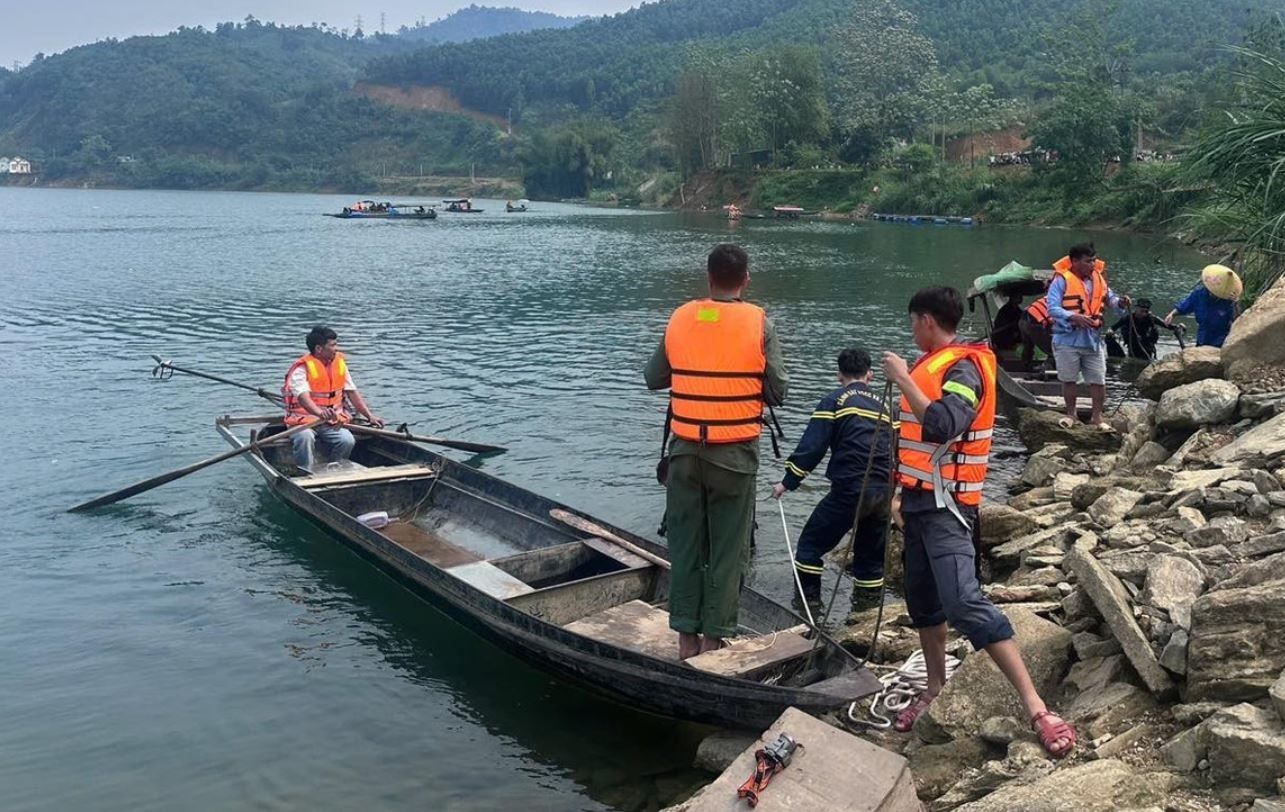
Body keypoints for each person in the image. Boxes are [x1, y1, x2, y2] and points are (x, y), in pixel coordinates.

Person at [881, 286, 1076, 758]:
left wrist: (902, 378)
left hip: (949, 509)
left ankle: (1037, 708)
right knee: (924, 604)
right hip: (918, 504)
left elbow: (946, 423)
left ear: (927, 320)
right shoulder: (938, 364)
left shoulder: (964, 367)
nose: (912, 332)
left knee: (965, 603)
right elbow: (909, 441)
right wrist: (897, 495)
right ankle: (933, 688)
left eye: (913, 322)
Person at [644, 244, 788, 660]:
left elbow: (653, 377)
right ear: (745, 279)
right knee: (728, 552)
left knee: (686, 547)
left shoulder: (681, 317)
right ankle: (713, 643)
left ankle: (685, 643)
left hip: (685, 454)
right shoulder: (760, 323)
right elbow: (778, 390)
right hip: (735, 457)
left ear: (708, 278)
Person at [770, 348, 894, 616]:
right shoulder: (886, 406)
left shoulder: (834, 401)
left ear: (839, 375)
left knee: (810, 547)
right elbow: (898, 448)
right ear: (869, 375)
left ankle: (809, 608)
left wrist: (787, 483)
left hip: (851, 489)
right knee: (870, 560)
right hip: (884, 490)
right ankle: (866, 613)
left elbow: (812, 448)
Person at [1046, 243, 1130, 428]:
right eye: (1088, 261)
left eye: (1093, 260)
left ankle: (1097, 417)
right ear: (1075, 261)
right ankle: (1071, 414)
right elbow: (1052, 308)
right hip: (1067, 339)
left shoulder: (1098, 279)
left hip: (1093, 339)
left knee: (1098, 380)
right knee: (1069, 379)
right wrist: (1073, 316)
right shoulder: (1061, 280)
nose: (1092, 264)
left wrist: (1121, 303)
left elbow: (1111, 300)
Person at [283, 326, 384, 470]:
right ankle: (305, 472)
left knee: (347, 440)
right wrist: (319, 413)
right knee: (305, 438)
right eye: (332, 345)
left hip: (331, 421)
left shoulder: (339, 364)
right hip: (302, 421)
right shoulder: (302, 368)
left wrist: (369, 416)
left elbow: (352, 392)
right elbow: (303, 397)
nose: (336, 349)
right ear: (319, 349)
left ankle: (333, 467)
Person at [1164, 264, 1242, 347]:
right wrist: (1172, 314)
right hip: (1203, 336)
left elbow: (1236, 321)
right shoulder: (1199, 295)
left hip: (1221, 340)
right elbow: (1185, 306)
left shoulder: (1228, 301)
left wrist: (1235, 305)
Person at [1106, 298, 1179, 360]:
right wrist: (1110, 332)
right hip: (1133, 346)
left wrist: (1177, 327)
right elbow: (1113, 328)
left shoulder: (1151, 318)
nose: (1144, 314)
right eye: (1142, 311)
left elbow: (1167, 326)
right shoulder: (1128, 318)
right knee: (1109, 338)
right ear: (1136, 309)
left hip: (1146, 348)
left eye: (1146, 311)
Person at [1018, 286, 1054, 366]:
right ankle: (1049, 366)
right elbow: (1052, 321)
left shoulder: (1048, 298)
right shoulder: (1057, 301)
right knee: (1052, 348)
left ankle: (1025, 364)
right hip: (1033, 321)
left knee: (1028, 345)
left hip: (1023, 318)